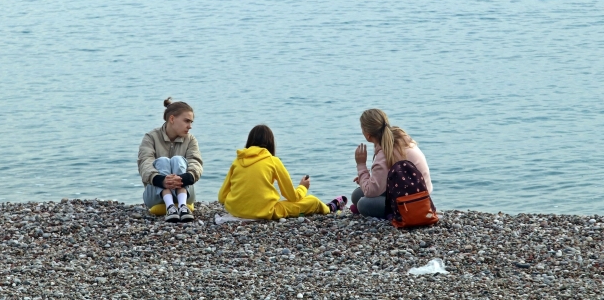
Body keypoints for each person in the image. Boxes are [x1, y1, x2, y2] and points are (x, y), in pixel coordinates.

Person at [218, 125, 346, 220]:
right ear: (271, 143)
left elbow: (222, 196)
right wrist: (303, 187)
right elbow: (291, 197)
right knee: (311, 201)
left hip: (234, 210)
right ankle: (329, 208)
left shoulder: (237, 161)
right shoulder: (273, 161)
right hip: (265, 211)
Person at [350, 108, 433, 218]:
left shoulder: (385, 153)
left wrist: (361, 165)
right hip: (421, 194)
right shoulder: (399, 138)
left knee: (363, 204)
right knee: (357, 195)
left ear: (368, 135)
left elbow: (371, 191)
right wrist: (364, 179)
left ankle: (397, 215)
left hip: (412, 202)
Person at [138, 97, 203, 222]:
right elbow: (144, 163)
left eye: (191, 122)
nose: (190, 126)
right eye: (186, 121)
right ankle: (170, 206)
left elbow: (196, 162)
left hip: (185, 192)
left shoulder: (190, 140)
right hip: (155, 196)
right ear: (172, 119)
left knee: (178, 160)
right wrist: (161, 180)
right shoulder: (151, 137)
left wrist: (184, 178)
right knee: (162, 161)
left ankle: (182, 206)